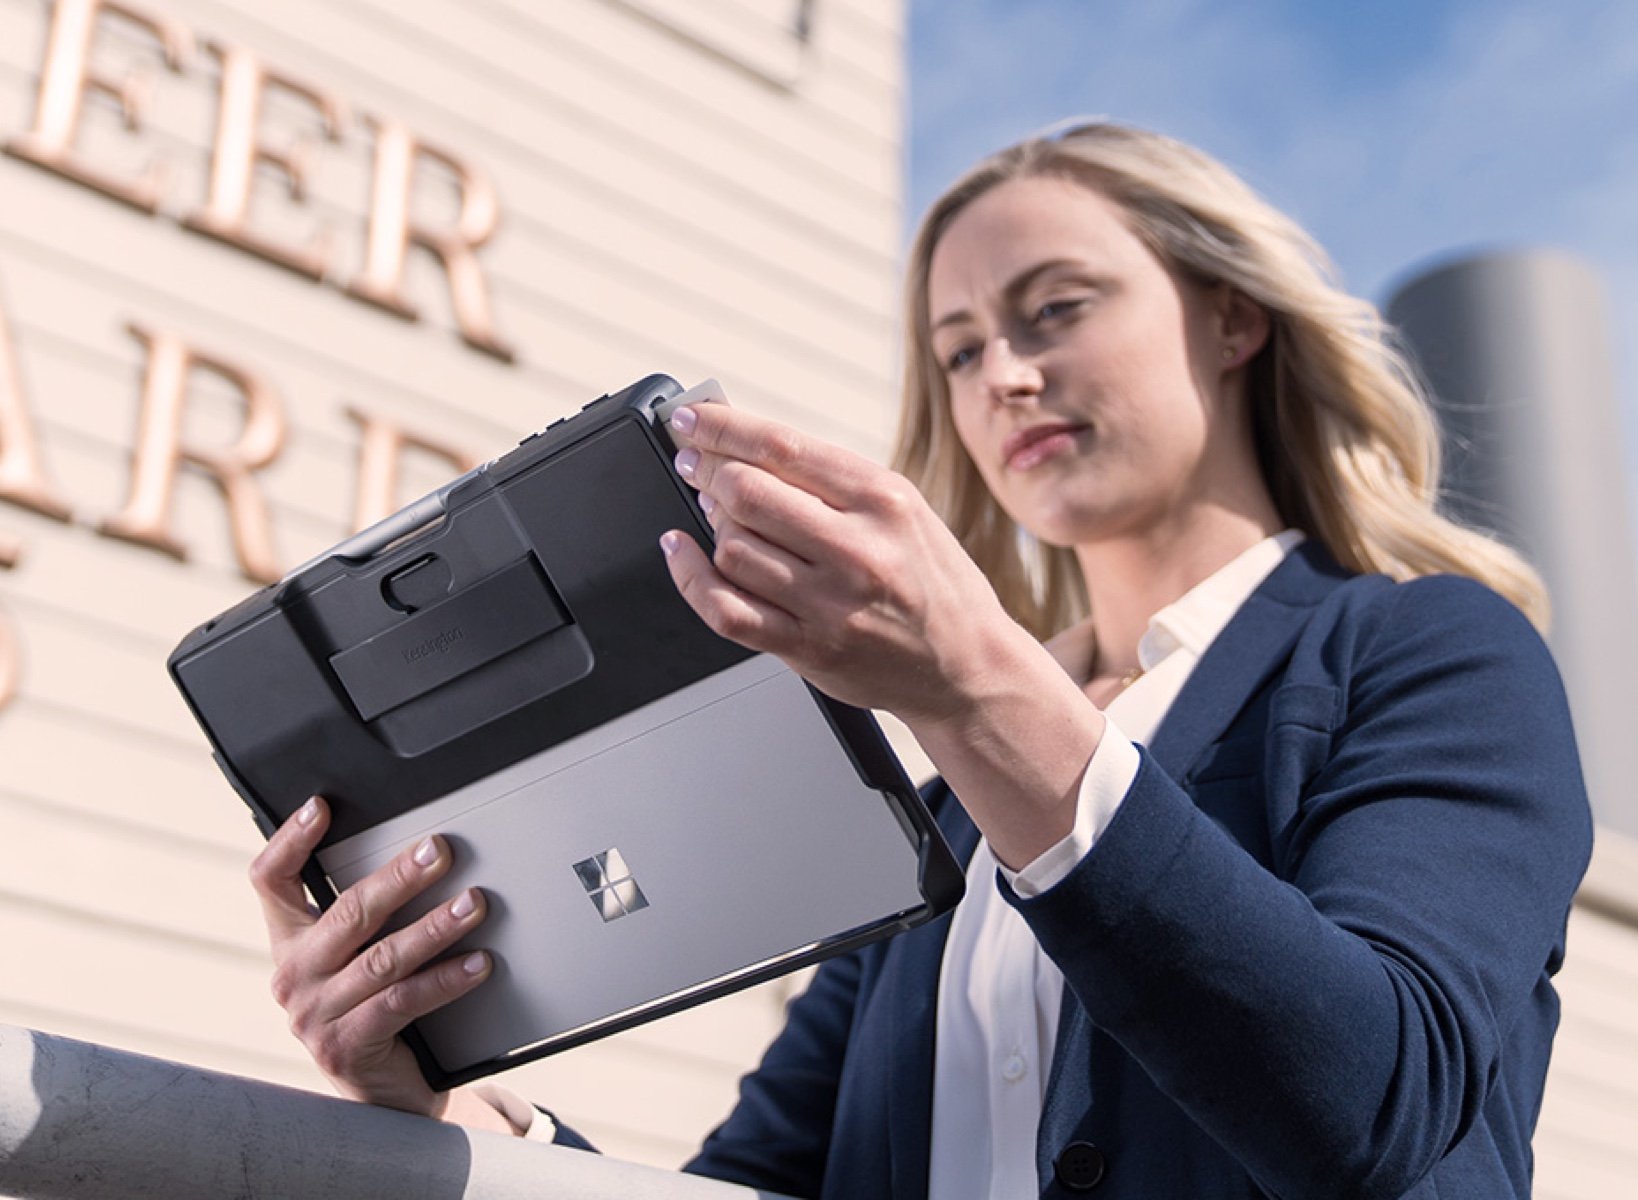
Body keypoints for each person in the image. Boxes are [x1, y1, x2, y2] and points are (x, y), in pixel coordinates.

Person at [249, 122, 1593, 1199]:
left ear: (1231, 320)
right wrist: (434, 1109)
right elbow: (753, 1187)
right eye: (957, 351)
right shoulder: (942, 804)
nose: (1001, 374)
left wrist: (979, 690)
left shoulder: (1429, 650)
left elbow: (1378, 1105)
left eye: (1052, 309)